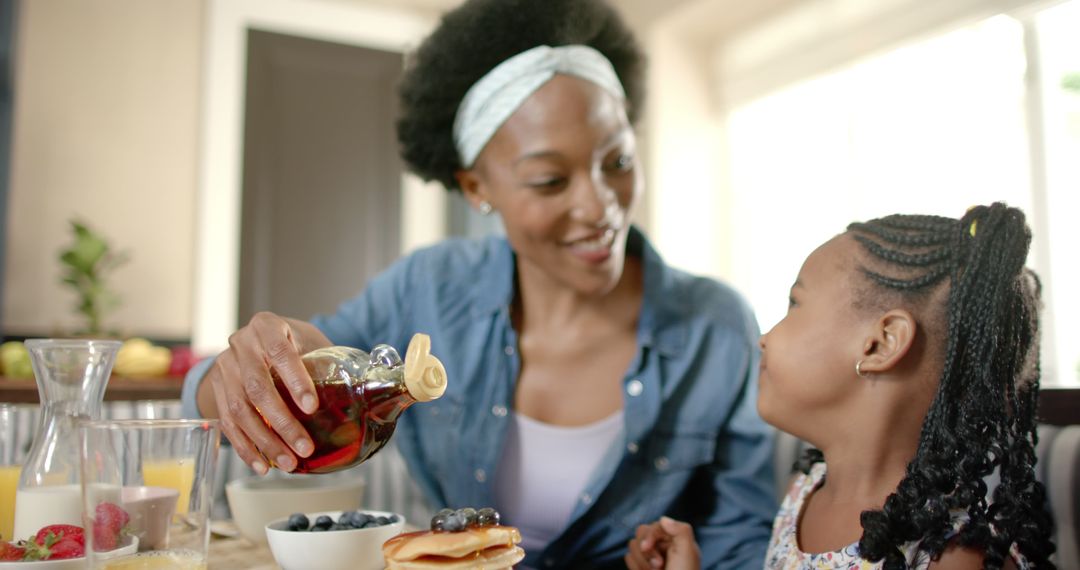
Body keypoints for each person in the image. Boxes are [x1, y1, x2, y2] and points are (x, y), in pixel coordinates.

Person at [180, 0, 777, 566]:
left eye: (617, 162)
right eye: (549, 180)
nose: (600, 207)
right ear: (476, 189)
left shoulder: (716, 327)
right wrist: (241, 375)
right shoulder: (427, 289)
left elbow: (741, 539)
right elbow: (289, 373)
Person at [626, 203, 1057, 570]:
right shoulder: (807, 489)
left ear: (880, 343)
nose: (764, 336)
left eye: (794, 303)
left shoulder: (950, 558)